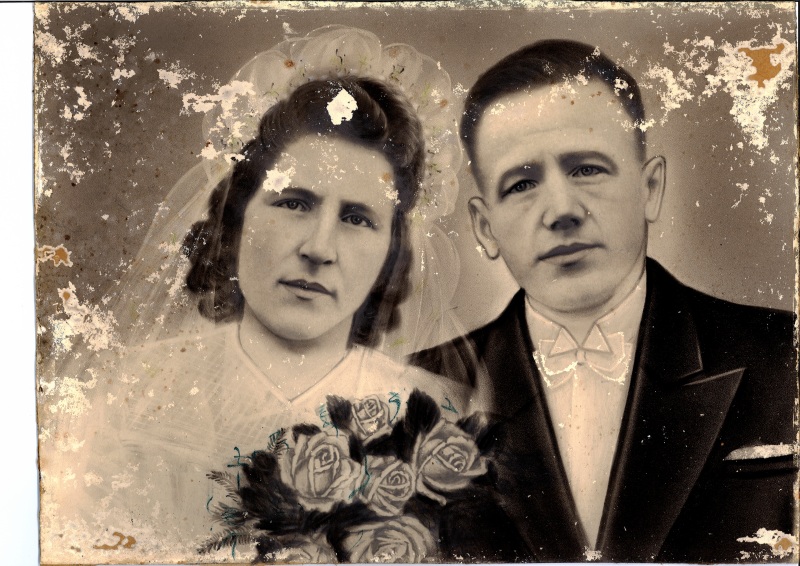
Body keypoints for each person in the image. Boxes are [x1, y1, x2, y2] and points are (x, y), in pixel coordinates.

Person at [39, 27, 467, 563]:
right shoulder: (127, 393)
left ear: (391, 250)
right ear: (239, 215)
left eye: (357, 218)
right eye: (294, 203)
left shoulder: (438, 421)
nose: (319, 249)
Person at [412, 39, 796, 562]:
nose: (561, 211)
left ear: (650, 188)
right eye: (521, 184)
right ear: (485, 227)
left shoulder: (785, 356)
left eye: (587, 169)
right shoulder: (414, 395)